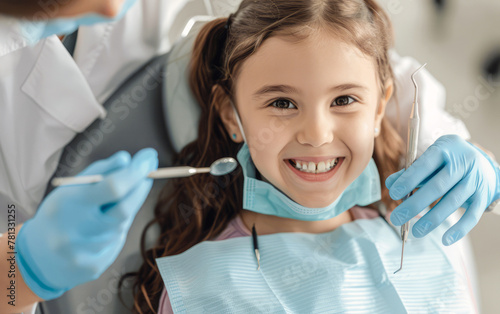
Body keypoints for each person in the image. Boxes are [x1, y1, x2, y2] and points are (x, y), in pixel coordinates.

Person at [124, 0, 497, 312]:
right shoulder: (200, 291)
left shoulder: (423, 230)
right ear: (229, 115)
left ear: (380, 109)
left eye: (343, 100)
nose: (317, 135)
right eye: (282, 103)